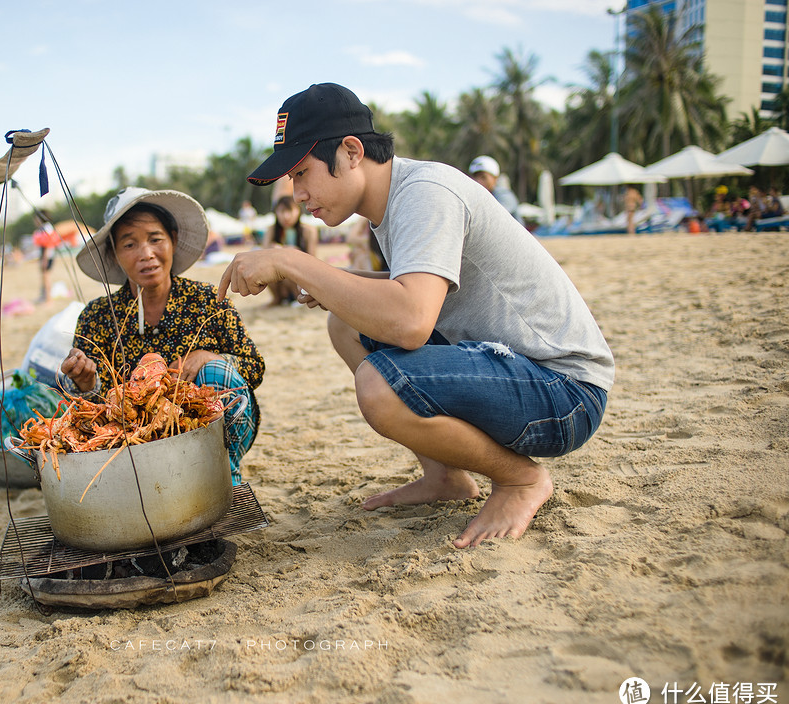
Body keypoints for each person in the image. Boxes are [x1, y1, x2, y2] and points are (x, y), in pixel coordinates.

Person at [220, 83, 614, 548]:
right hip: (517, 370)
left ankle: (521, 480)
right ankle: (446, 477)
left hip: (564, 390)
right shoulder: (393, 203)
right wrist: (334, 284)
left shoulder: (425, 193)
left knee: (378, 385)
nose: (299, 193)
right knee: (344, 321)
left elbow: (410, 323)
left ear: (351, 152)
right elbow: (409, 286)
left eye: (303, 173)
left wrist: (291, 260)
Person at [59, 187, 266, 484]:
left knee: (217, 373)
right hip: (133, 445)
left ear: (172, 240)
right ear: (115, 255)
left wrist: (211, 357)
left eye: (155, 239)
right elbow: (88, 404)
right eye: (129, 244)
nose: (146, 254)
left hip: (210, 430)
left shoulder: (208, 300)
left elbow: (255, 367)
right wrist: (86, 381)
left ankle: (223, 475)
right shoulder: (97, 316)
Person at [262, 195, 319, 304]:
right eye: (282, 211)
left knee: (288, 270)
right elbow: (264, 253)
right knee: (267, 270)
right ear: (276, 213)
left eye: (290, 211)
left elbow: (313, 260)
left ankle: (297, 298)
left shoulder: (308, 231)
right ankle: (277, 298)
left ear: (298, 211)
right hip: (279, 278)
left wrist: (295, 252)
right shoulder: (272, 230)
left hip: (301, 276)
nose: (286, 216)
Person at [468, 155, 522, 222]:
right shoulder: (476, 196)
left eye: (483, 177)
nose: (478, 181)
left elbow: (493, 218)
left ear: (495, 178)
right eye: (475, 177)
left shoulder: (504, 195)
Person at [32, 211, 60, 306]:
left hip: (47, 256)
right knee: (44, 277)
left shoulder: (47, 228)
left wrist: (45, 259)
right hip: (44, 255)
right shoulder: (43, 228)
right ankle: (44, 297)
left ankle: (49, 299)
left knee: (46, 277)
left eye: (36, 218)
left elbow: (49, 243)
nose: (35, 221)